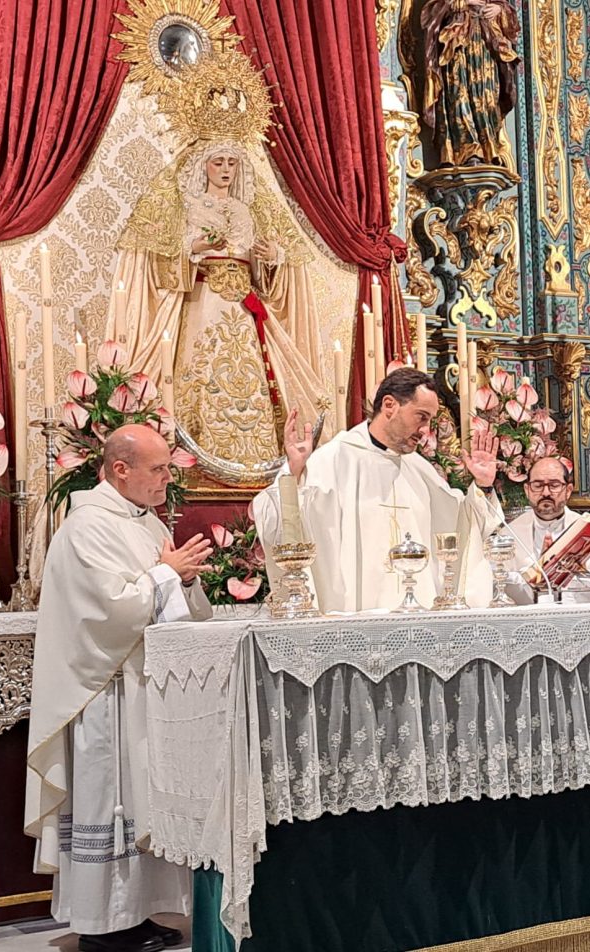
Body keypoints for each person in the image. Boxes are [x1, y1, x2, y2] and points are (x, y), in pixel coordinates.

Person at [25, 425, 214, 952]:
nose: (168, 479)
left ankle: (135, 913)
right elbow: (107, 612)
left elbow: (166, 606)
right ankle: (103, 926)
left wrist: (187, 579)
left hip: (141, 692)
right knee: (111, 805)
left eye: (169, 468)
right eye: (159, 469)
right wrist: (165, 573)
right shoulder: (86, 528)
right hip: (104, 700)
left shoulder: (143, 522)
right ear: (120, 469)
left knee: (142, 804)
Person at [113, 140, 326, 466]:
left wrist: (270, 260)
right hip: (204, 302)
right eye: (218, 163)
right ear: (204, 166)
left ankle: (253, 459)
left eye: (231, 163)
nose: (226, 169)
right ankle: (196, 452)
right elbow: (165, 263)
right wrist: (194, 247)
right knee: (202, 371)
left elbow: (259, 270)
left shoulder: (246, 209)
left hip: (241, 306)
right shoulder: (188, 206)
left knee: (247, 375)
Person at [252, 368, 503, 611]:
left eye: (430, 420)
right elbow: (273, 517)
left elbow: (461, 527)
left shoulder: (421, 471)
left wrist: (483, 485)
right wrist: (293, 472)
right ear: (390, 405)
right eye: (421, 416)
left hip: (418, 621)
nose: (426, 430)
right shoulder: (334, 460)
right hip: (353, 625)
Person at [505, 456, 590, 604]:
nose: (545, 493)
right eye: (537, 485)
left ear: (568, 490)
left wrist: (570, 577)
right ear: (527, 490)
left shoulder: (589, 530)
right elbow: (493, 580)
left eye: (554, 485)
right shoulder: (509, 534)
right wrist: (541, 575)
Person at [420, 0, 520, 170]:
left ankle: (488, 149)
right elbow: (431, 10)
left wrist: (499, 9)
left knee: (486, 96)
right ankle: (466, 150)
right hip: (456, 40)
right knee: (459, 93)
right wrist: (460, 3)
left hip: (485, 41)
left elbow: (509, 14)